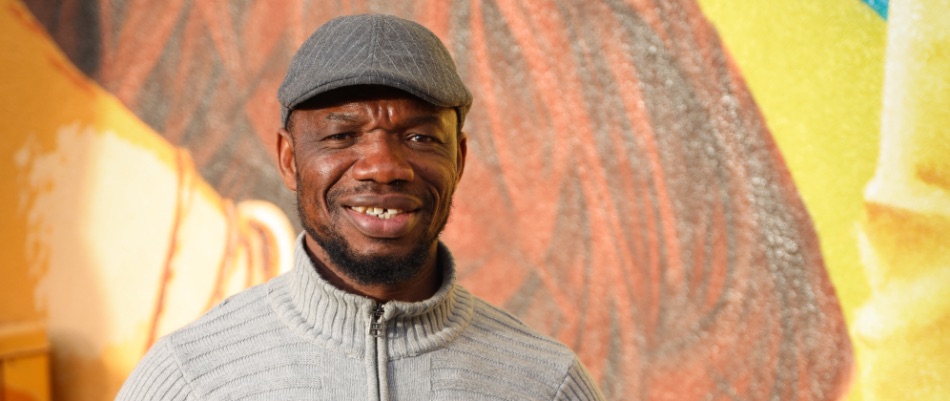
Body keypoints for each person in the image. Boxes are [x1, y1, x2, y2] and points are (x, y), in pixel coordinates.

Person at [116, 14, 605, 400]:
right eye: (342, 136)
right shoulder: (191, 377)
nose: (383, 167)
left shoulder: (547, 383)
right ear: (289, 159)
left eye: (419, 137)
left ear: (458, 158)